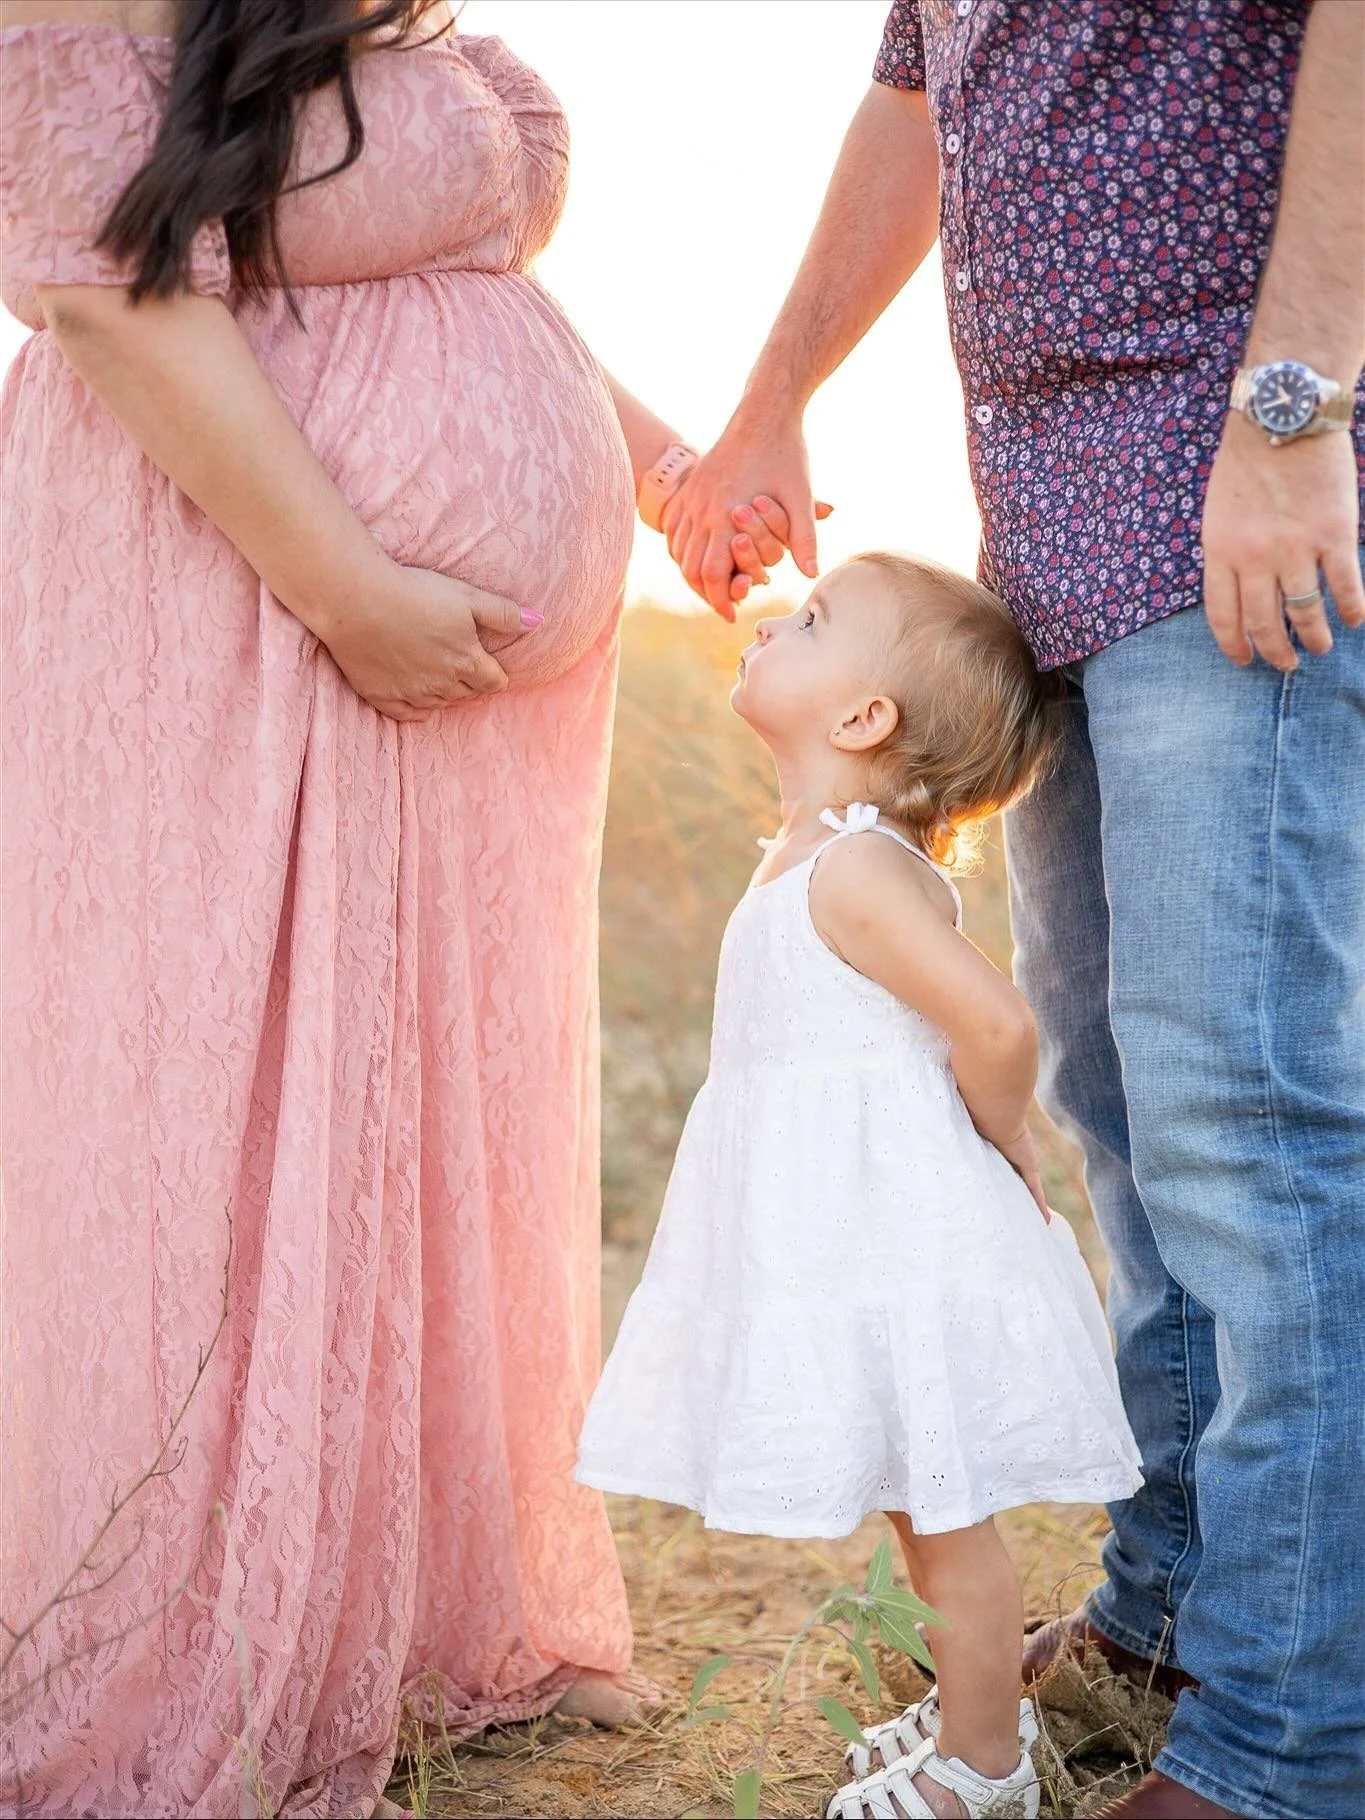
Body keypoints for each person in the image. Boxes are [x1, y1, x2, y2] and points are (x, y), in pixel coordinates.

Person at [0, 2, 772, 1812]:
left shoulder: (361, 20)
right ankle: (202, 1644)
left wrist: (662, 470)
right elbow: (110, 290)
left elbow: (480, 292)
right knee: (229, 1096)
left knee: (424, 1107)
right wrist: (345, 585)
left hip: (446, 700)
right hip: (235, 602)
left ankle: (438, 1612)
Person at [654, 4, 1365, 1816]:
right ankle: (1177, 1611)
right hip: (1056, 525)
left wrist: (1296, 406)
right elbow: (920, 85)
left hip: (1238, 474)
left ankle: (1292, 1739)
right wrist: (772, 394)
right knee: (1134, 1122)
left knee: (1246, 1128)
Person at [577, 553, 1145, 1820]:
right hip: (848, 1242)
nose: (778, 616)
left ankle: (987, 1765)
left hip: (905, 1238)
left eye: (817, 618)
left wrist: (1004, 1147)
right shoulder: (808, 854)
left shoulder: (853, 867)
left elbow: (996, 1026)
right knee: (912, 1497)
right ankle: (970, 1717)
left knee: (943, 1513)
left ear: (861, 719)